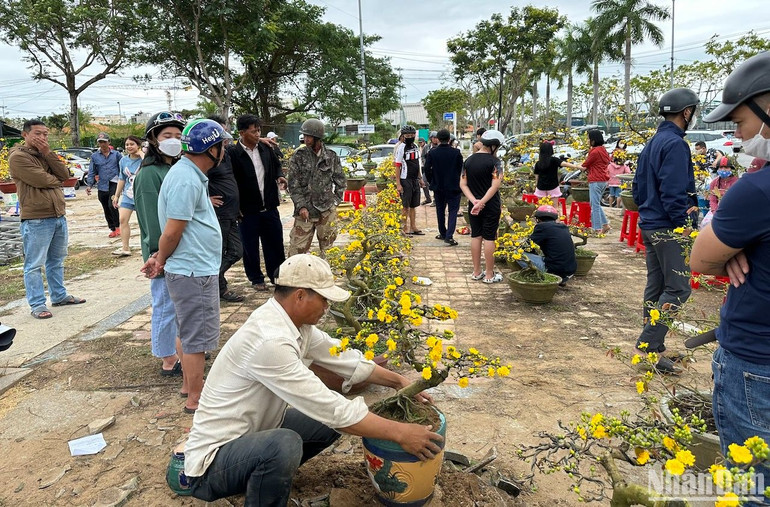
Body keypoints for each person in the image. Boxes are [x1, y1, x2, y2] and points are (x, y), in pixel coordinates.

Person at [182, 254, 443, 505]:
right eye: (324, 299)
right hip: (211, 466)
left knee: (324, 425)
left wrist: (399, 381)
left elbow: (345, 359)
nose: (328, 307)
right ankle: (263, 483)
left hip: (254, 433)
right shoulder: (270, 341)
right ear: (300, 296)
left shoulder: (296, 325)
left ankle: (262, 474)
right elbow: (329, 407)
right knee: (284, 444)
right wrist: (401, 433)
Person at [690, 51, 770, 502]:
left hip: (757, 362)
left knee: (756, 487)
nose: (734, 134)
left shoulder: (756, 190)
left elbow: (701, 260)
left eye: (738, 121)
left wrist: (727, 250)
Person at [141, 119, 230, 413]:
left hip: (192, 268)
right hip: (193, 271)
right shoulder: (186, 179)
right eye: (223, 145)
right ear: (211, 149)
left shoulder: (189, 174)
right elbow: (172, 231)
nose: (225, 149)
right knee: (196, 340)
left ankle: (188, 387)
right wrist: (161, 259)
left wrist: (161, 258)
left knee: (186, 330)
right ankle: (196, 398)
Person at [632, 87, 700, 375]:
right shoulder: (675, 144)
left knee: (658, 286)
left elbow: (636, 188)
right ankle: (648, 344)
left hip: (650, 224)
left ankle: (655, 347)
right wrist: (682, 226)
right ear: (686, 112)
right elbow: (673, 192)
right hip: (668, 227)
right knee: (679, 288)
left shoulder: (653, 143)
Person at [9, 119, 86, 319]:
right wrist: (58, 181)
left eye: (45, 134)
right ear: (25, 135)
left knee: (57, 260)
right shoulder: (18, 157)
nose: (42, 137)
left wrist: (49, 154)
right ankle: (37, 304)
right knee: (34, 264)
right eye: (37, 133)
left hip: (58, 215)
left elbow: (65, 174)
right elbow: (42, 180)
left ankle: (59, 296)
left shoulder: (44, 155)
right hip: (36, 219)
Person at [133, 112, 186, 379]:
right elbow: (152, 219)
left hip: (178, 250)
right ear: (153, 139)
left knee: (178, 306)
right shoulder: (149, 174)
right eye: (167, 136)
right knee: (164, 305)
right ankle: (167, 357)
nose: (174, 141)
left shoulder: (174, 168)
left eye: (178, 136)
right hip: (162, 252)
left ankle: (179, 347)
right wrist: (159, 253)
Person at [229, 114, 287, 292]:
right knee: (250, 247)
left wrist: (280, 175)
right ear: (242, 132)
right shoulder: (233, 153)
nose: (257, 134)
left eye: (259, 130)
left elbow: (276, 165)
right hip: (247, 210)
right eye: (253, 131)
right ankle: (255, 278)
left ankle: (277, 276)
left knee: (275, 244)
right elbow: (229, 180)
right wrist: (235, 207)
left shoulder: (265, 147)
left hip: (269, 206)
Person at [287, 119, 346, 257]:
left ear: (317, 138)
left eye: (308, 136)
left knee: (329, 251)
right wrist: (301, 206)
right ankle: (295, 278)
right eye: (304, 136)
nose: (305, 139)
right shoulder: (298, 156)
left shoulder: (331, 156)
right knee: (296, 250)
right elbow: (293, 185)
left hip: (326, 210)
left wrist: (335, 202)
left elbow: (340, 181)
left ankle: (326, 277)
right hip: (305, 211)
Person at [206, 115, 244, 303]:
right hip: (217, 214)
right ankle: (219, 287)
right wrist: (205, 198)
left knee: (237, 251)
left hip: (231, 213)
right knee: (218, 253)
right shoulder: (205, 157)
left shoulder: (226, 152)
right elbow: (195, 179)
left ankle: (212, 279)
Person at [461, 129, 505, 284]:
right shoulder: (496, 163)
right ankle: (489, 274)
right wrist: (482, 202)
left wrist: (475, 201)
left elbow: (463, 184)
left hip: (473, 206)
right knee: (489, 237)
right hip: (490, 205)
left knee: (476, 235)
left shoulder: (469, 161)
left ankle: (476, 271)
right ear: (493, 146)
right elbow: (495, 186)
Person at [519, 205, 577, 286]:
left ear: (538, 219)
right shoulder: (563, 227)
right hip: (570, 270)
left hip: (554, 270)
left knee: (517, 254)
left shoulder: (541, 227)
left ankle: (543, 276)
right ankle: (561, 278)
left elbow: (526, 247)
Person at [425, 128, 463, 246]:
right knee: (452, 211)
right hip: (453, 186)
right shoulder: (456, 153)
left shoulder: (432, 152)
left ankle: (442, 232)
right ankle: (449, 236)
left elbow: (426, 169)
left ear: (438, 139)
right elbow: (460, 169)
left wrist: (432, 181)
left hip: (438, 186)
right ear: (449, 139)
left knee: (440, 210)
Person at [111, 135, 143, 256]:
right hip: (128, 195)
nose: (129, 146)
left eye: (132, 144)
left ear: (138, 145)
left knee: (144, 223)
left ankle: (148, 247)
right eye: (127, 144)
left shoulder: (144, 158)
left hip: (142, 195)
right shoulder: (123, 160)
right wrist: (116, 195)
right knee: (122, 219)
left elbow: (148, 165)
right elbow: (121, 178)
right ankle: (125, 248)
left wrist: (141, 154)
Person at [87, 132, 122, 238]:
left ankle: (118, 227)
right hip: (102, 185)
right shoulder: (94, 156)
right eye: (100, 142)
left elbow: (122, 169)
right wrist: (89, 185)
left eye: (104, 142)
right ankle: (112, 228)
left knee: (112, 205)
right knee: (106, 207)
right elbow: (92, 171)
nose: (102, 144)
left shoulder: (116, 155)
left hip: (114, 182)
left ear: (109, 142)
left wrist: (124, 183)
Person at [394, 125, 426, 235]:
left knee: (414, 205)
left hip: (414, 179)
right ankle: (404, 228)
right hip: (405, 178)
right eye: (408, 135)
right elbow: (397, 166)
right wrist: (398, 183)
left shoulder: (415, 146)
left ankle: (413, 226)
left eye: (412, 135)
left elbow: (417, 163)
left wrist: (420, 178)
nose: (410, 137)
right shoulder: (401, 147)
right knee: (405, 206)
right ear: (403, 136)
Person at [578, 130, 611, 233]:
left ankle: (597, 228)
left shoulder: (594, 151)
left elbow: (585, 165)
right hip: (603, 180)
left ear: (593, 140)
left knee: (595, 205)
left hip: (595, 180)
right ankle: (605, 225)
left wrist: (578, 166)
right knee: (595, 204)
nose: (588, 141)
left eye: (588, 139)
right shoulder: (603, 150)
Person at [418, 137, 433, 206]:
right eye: (419, 142)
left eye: (421, 142)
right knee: (424, 182)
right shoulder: (426, 147)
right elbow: (422, 156)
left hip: (434, 168)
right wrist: (425, 162)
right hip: (425, 168)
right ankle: (428, 198)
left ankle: (436, 200)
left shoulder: (438, 146)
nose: (420, 143)